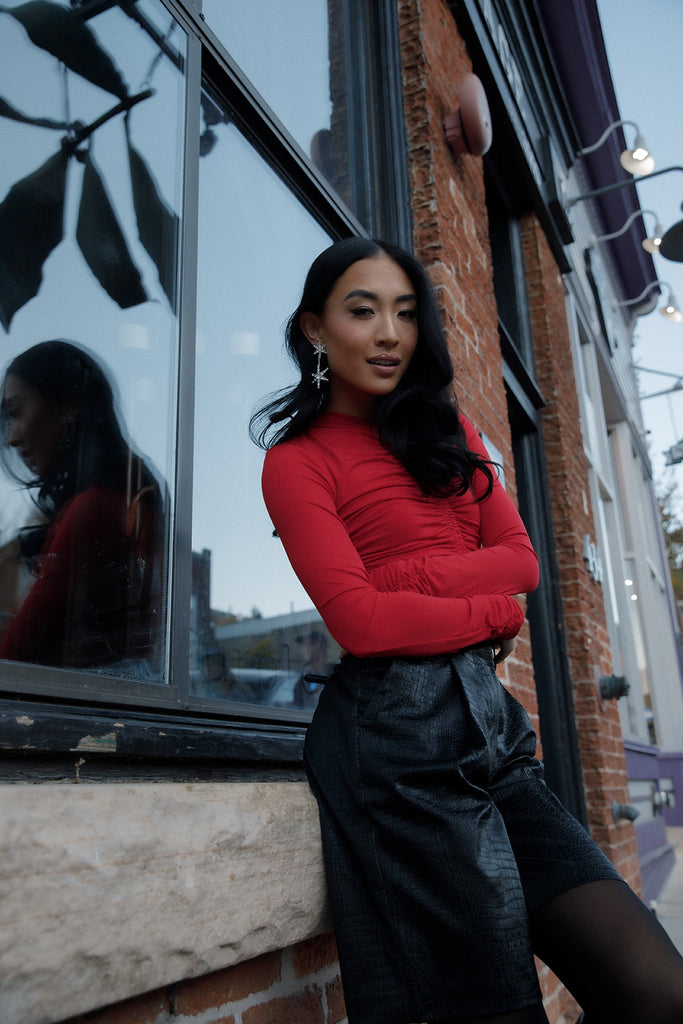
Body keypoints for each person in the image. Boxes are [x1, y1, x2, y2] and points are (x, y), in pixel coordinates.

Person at [251, 237, 683, 1024]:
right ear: (314, 327)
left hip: (492, 735)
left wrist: (409, 584)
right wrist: (485, 611)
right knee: (487, 1010)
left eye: (406, 313)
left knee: (655, 990)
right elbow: (360, 620)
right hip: (393, 741)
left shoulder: (451, 437)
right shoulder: (297, 462)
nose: (389, 332)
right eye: (363, 309)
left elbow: (519, 564)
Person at [0, 339, 166, 676]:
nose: (12, 438)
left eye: (16, 412)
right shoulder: (110, 500)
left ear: (66, 407)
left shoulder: (95, 509)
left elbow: (17, 652)